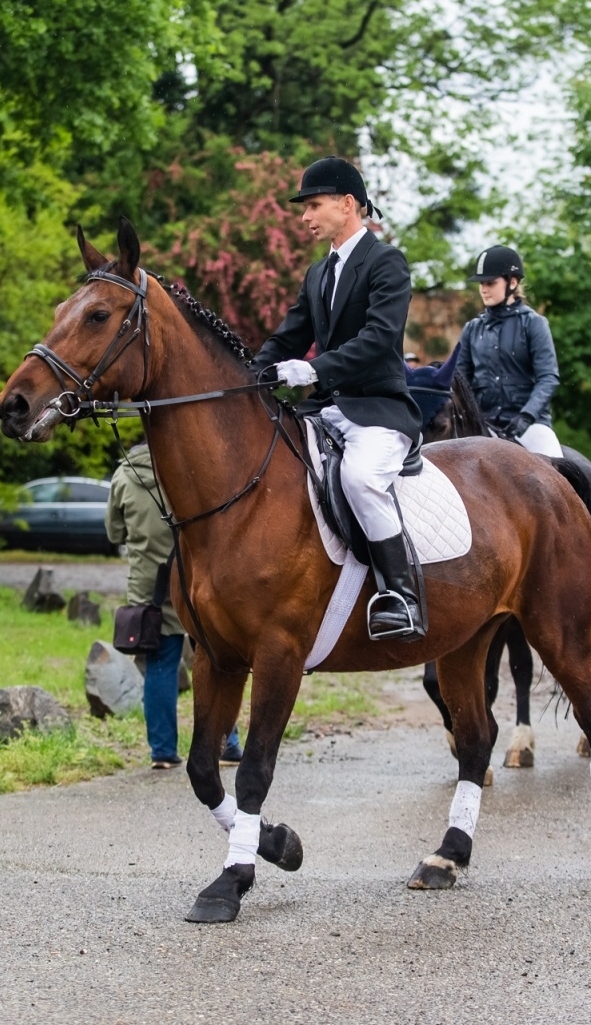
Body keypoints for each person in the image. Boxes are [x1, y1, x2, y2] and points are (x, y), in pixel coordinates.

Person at [253, 156, 425, 640]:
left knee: (361, 478)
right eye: (304, 208)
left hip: (377, 408)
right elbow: (288, 337)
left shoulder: (386, 262)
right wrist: (247, 376)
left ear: (347, 204)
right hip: (325, 408)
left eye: (313, 205)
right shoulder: (318, 273)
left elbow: (379, 337)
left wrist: (314, 368)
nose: (305, 217)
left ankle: (401, 595)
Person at [106, 441, 240, 770]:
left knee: (161, 666)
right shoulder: (182, 471)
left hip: (149, 588)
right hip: (195, 579)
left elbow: (114, 533)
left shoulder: (123, 475)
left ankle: (163, 752)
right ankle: (227, 745)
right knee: (217, 664)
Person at [454, 245, 564, 459]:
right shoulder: (472, 329)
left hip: (531, 427)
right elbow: (459, 381)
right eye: (481, 284)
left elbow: (548, 378)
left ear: (512, 282)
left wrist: (526, 416)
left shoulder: (534, 324)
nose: (484, 289)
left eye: (490, 283)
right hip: (484, 426)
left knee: (558, 477)